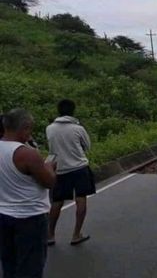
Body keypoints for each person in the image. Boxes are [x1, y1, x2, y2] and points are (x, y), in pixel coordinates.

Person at [0, 108, 56, 278]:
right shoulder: (26, 154)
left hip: (3, 214)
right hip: (30, 217)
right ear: (25, 127)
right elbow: (49, 181)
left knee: (9, 265)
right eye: (30, 128)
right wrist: (49, 166)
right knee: (30, 268)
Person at [46, 100, 94, 246]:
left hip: (60, 169)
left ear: (58, 111)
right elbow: (87, 146)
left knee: (57, 201)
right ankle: (76, 234)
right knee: (81, 199)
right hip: (79, 168)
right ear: (73, 111)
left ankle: (50, 235)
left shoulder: (50, 128)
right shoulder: (78, 128)